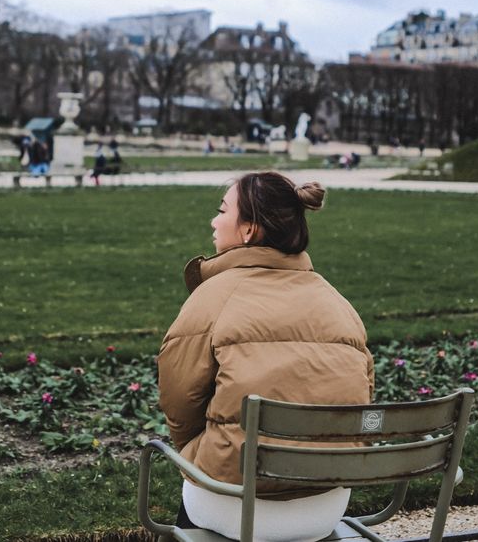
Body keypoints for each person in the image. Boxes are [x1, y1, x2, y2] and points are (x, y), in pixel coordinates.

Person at [158, 171, 373, 542]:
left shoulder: (213, 298)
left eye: (222, 210)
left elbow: (179, 406)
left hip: (235, 504)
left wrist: (201, 452)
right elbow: (361, 396)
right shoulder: (336, 301)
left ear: (248, 230)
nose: (214, 220)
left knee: (194, 475)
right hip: (324, 505)